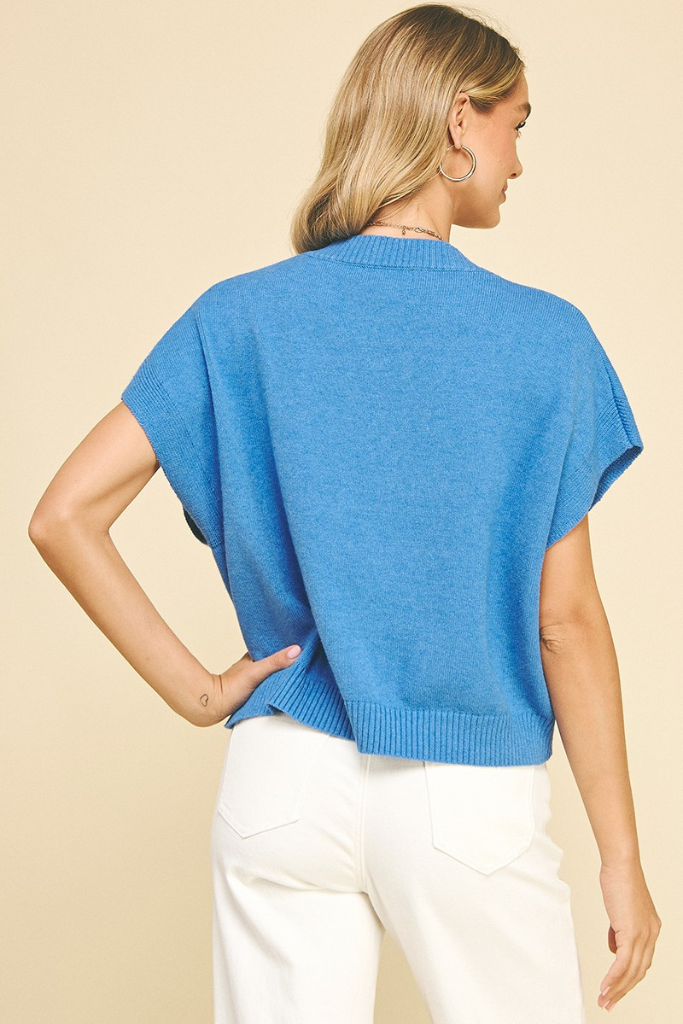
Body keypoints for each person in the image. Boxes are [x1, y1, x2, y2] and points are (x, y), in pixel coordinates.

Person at [28, 3, 661, 1022]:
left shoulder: (239, 317)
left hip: (280, 781)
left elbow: (63, 514)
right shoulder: (546, 342)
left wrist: (202, 693)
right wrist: (620, 859)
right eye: (515, 124)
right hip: (464, 789)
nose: (518, 160)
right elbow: (564, 622)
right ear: (458, 119)